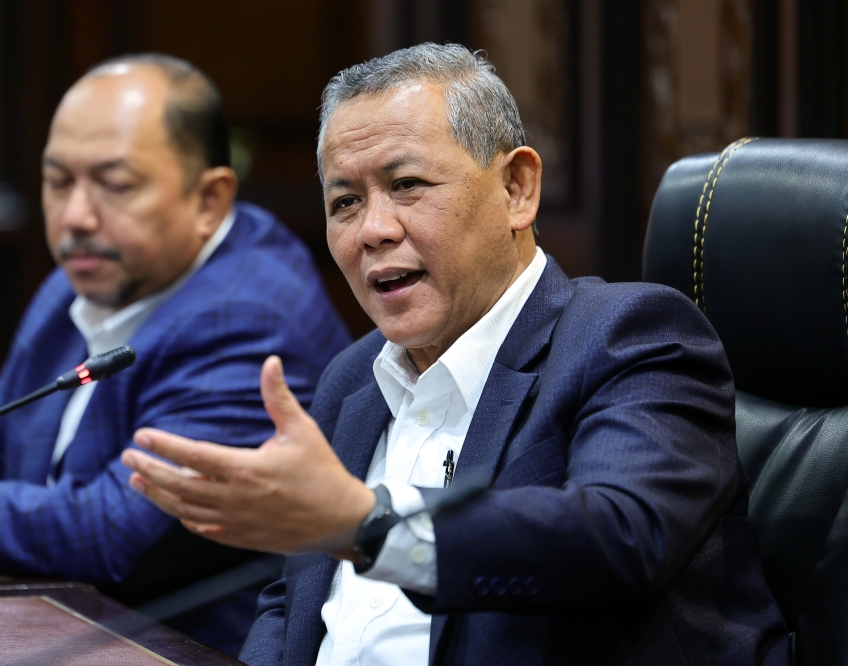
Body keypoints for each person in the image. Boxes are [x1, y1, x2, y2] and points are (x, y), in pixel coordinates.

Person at [121, 43, 790, 665]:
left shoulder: (629, 336)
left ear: (516, 189)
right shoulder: (351, 381)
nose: (373, 230)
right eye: (345, 201)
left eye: (408, 184)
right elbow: (293, 605)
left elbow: (618, 539)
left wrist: (367, 525)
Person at [0, 53, 352, 656]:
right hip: (50, 626)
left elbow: (120, 530)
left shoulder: (249, 316)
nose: (77, 217)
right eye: (59, 182)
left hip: (175, 648)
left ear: (208, 200)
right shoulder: (81, 283)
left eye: (115, 185)